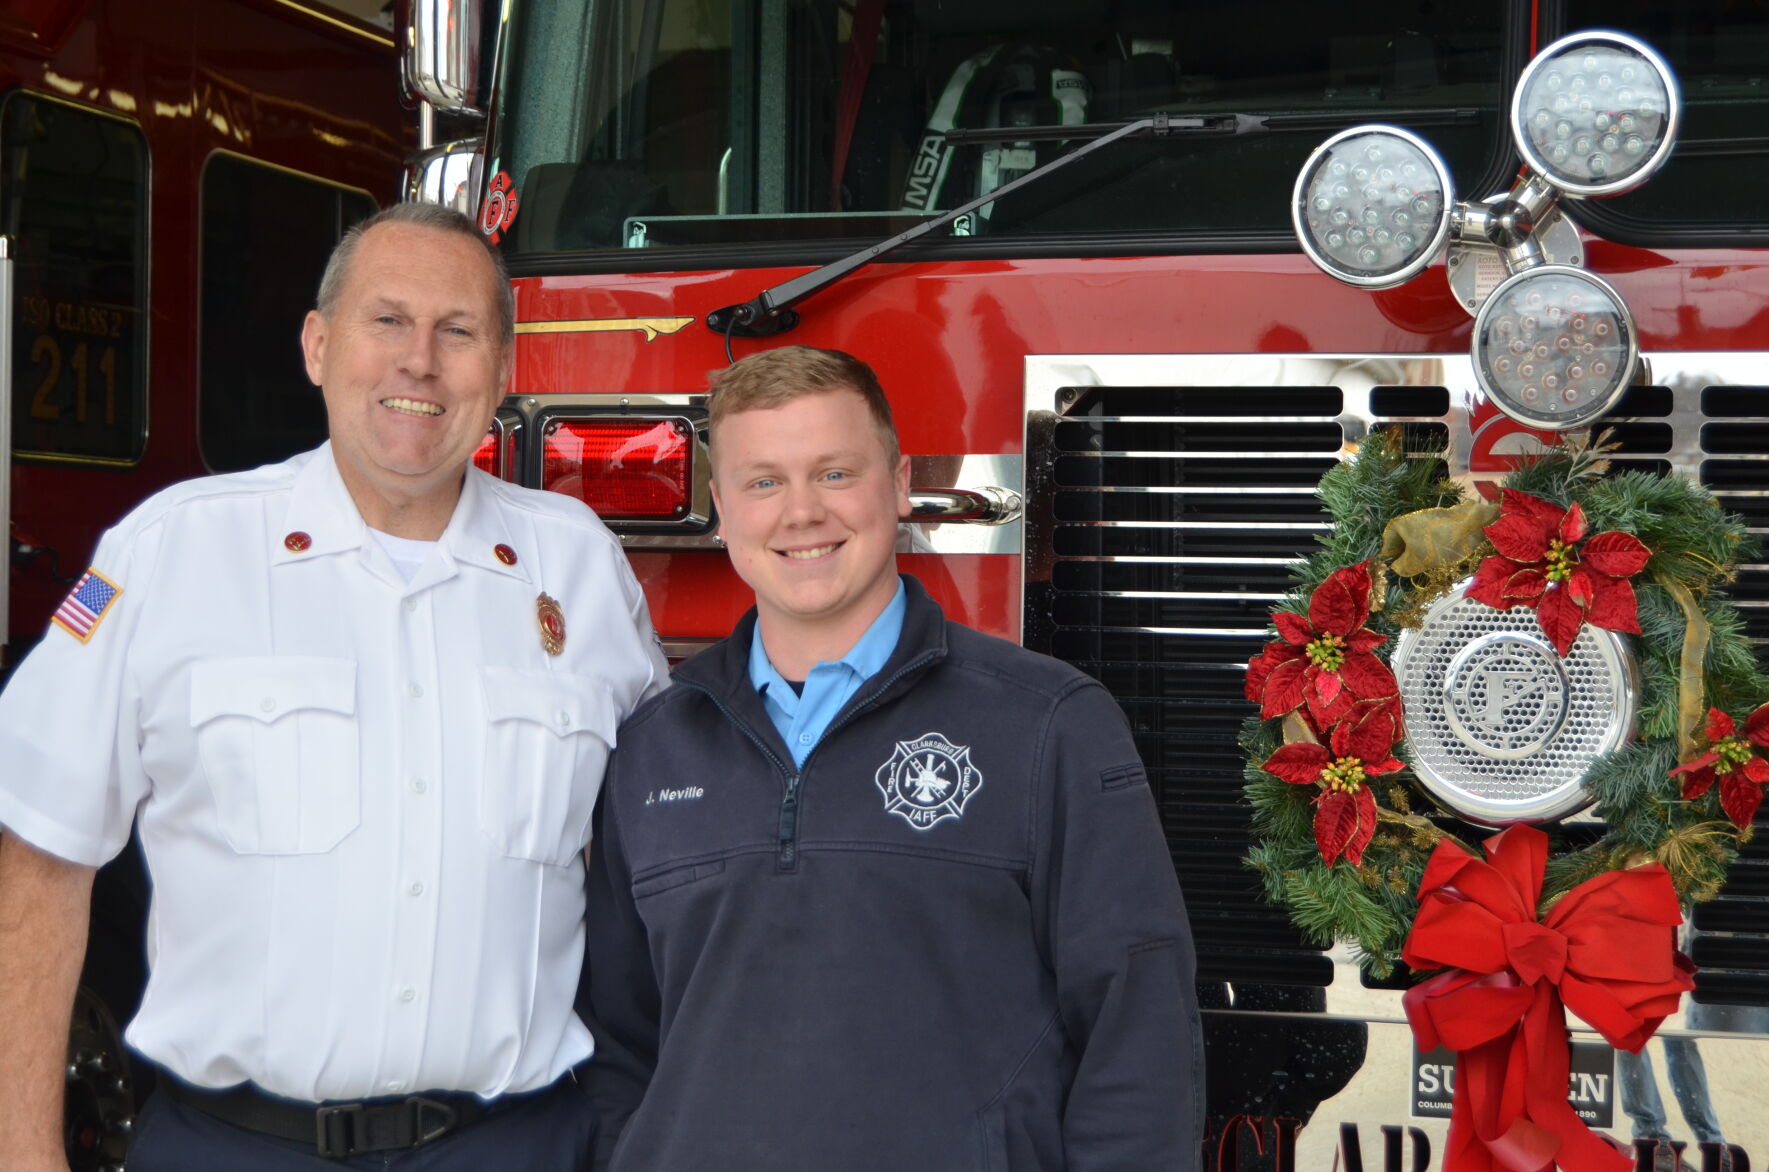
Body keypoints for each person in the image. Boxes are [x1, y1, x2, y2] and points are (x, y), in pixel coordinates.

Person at [0, 202, 668, 1170]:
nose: (419, 362)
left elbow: (668, 858)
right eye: (386, 320)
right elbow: (37, 850)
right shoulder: (171, 550)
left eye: (458, 330)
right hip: (233, 1145)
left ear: (504, 368)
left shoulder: (582, 570)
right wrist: (23, 1153)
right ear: (318, 345)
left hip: (518, 1144)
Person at [579, 345, 1203, 1170]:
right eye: (763, 482)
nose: (801, 512)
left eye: (834, 473)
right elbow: (616, 1046)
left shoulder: (1047, 724)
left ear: (899, 484)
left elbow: (1138, 1030)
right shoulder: (650, 751)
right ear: (721, 510)